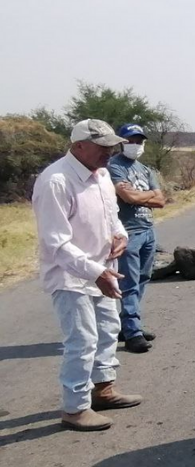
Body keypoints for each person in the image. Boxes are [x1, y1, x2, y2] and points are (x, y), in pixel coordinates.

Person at [32, 119, 144, 432]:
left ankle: (103, 390)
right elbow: (55, 243)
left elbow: (111, 216)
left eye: (112, 146)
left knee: (108, 330)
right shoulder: (56, 181)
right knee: (81, 341)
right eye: (103, 146)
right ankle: (75, 408)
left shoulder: (102, 174)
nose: (110, 152)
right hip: (72, 276)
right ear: (79, 145)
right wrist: (95, 272)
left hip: (103, 270)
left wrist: (119, 234)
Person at [107, 124, 165, 354]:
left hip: (148, 229)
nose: (135, 145)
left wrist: (140, 196)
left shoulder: (144, 169)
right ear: (121, 141)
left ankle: (129, 324)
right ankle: (132, 333)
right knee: (129, 283)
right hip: (128, 231)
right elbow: (126, 196)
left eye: (139, 141)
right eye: (131, 140)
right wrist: (146, 195)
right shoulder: (114, 166)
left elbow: (161, 200)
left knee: (143, 278)